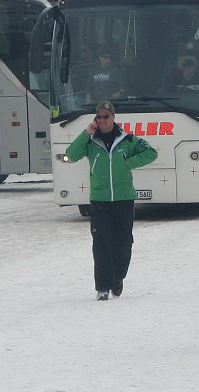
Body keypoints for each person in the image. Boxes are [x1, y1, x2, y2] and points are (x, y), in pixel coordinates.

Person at [65, 100, 157, 301]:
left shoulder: (128, 140)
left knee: (123, 244)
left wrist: (130, 162)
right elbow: (70, 155)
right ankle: (103, 287)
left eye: (106, 116)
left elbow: (151, 152)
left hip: (124, 200)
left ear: (113, 118)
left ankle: (118, 277)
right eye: (98, 117)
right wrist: (86, 133)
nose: (102, 120)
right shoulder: (90, 142)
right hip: (100, 201)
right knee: (101, 243)